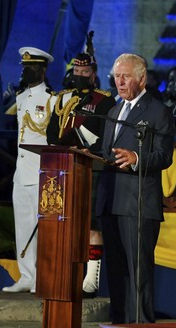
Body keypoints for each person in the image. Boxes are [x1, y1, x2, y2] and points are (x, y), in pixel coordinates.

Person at [96, 53, 174, 323]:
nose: (119, 81)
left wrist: (136, 159)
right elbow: (106, 153)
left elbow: (165, 156)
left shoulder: (157, 111)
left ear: (142, 78)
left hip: (138, 203)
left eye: (125, 76)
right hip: (111, 201)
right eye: (116, 76)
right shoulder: (114, 111)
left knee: (138, 271)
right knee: (116, 272)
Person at [46, 39, 116, 297]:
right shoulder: (62, 99)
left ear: (93, 74)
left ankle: (91, 278)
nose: (79, 77)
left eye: (84, 73)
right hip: (62, 168)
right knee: (64, 222)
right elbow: (52, 132)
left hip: (92, 168)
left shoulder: (104, 101)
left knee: (92, 226)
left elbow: (105, 136)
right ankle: (64, 274)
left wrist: (84, 143)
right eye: (76, 73)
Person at [3, 47, 55, 293]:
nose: (25, 70)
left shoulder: (52, 99)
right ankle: (26, 276)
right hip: (21, 171)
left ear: (42, 70)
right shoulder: (21, 98)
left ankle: (42, 277)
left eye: (31, 66)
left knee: (44, 226)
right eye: (24, 66)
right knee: (22, 225)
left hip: (42, 172)